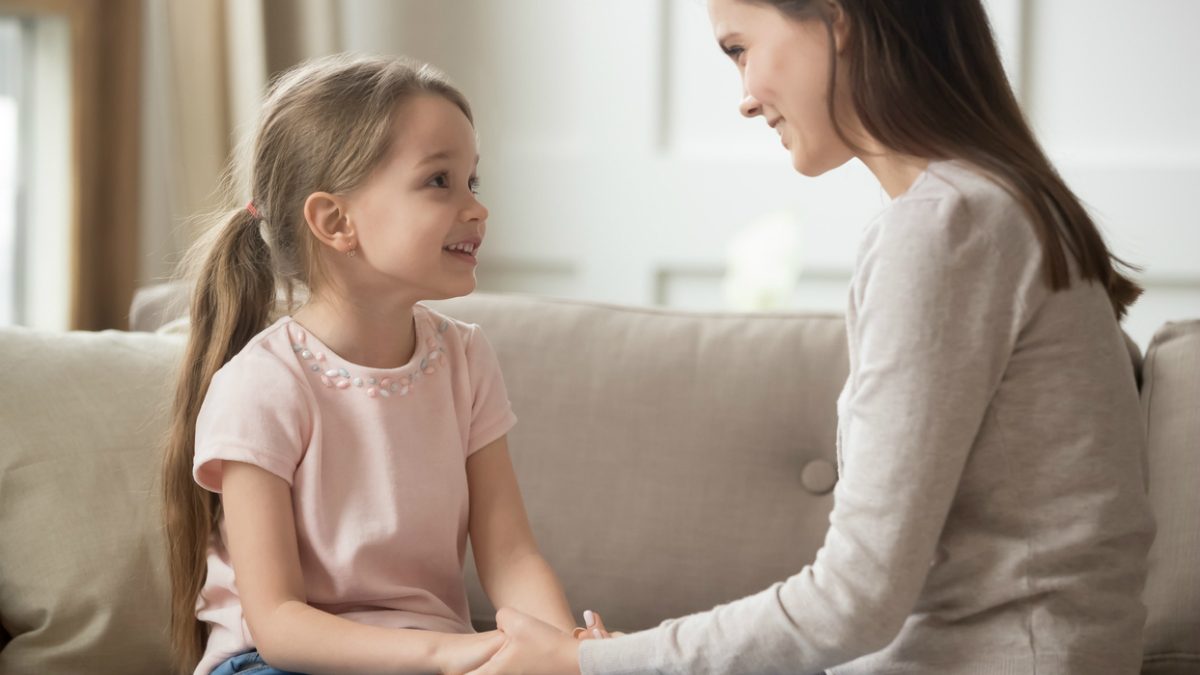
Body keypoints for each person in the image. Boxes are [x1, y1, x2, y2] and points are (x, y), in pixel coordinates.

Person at [469, 1, 1155, 673]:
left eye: (740, 49)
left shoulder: (946, 228)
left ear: (838, 19)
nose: (743, 97)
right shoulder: (990, 209)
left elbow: (854, 602)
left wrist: (592, 662)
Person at [160, 54, 577, 675]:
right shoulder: (261, 384)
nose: (476, 209)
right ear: (335, 221)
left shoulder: (465, 359)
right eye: (440, 181)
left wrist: (567, 649)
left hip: (431, 654)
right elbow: (277, 624)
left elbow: (511, 556)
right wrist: (453, 654)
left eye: (473, 182)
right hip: (278, 663)